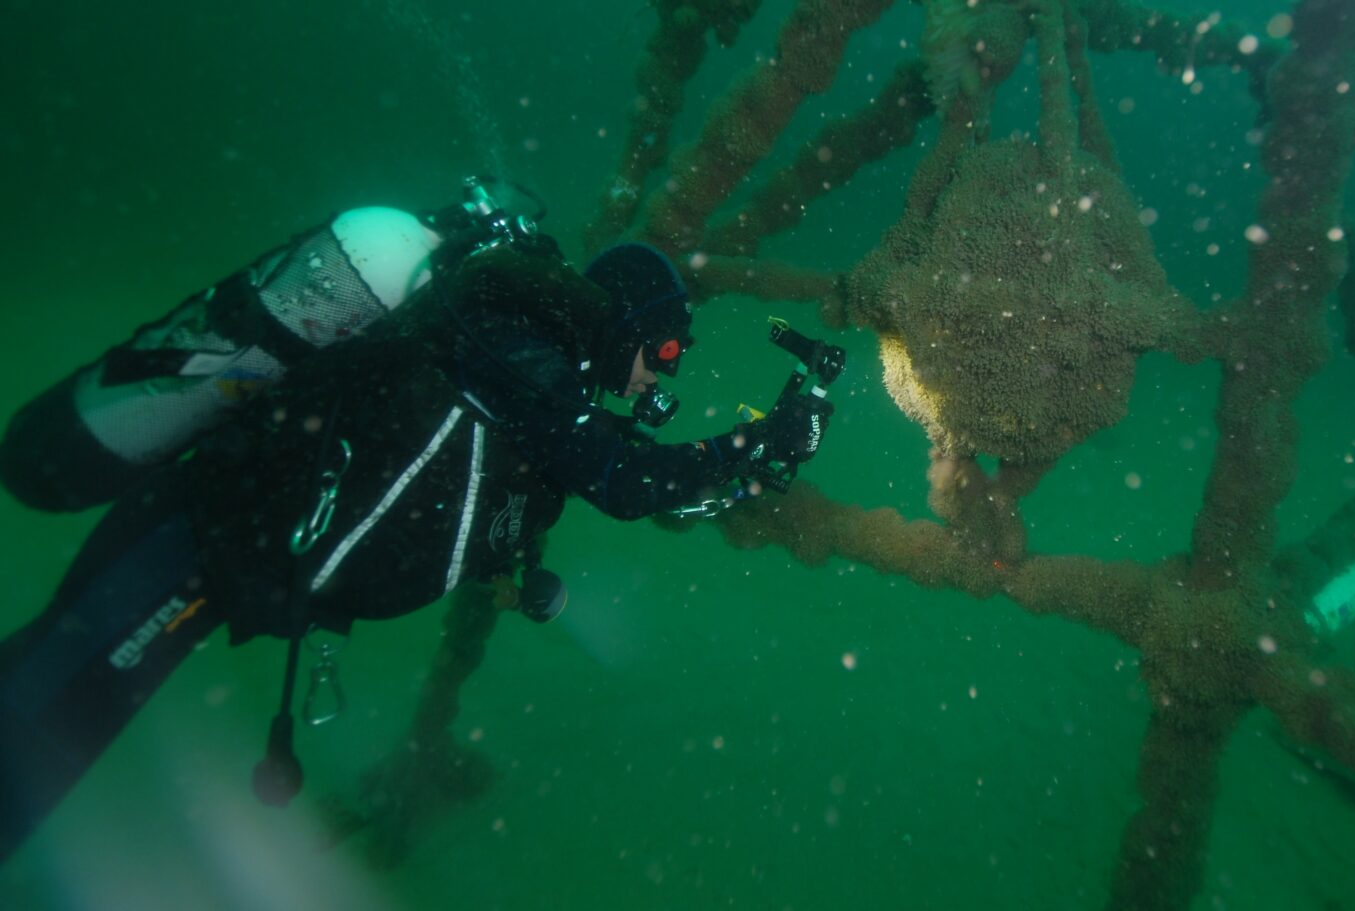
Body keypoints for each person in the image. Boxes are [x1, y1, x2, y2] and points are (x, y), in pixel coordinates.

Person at [0, 181, 835, 861]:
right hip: (195, 543)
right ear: (623, 320)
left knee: (48, 709)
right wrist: (754, 436)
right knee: (39, 726)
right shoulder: (517, 348)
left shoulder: (537, 388)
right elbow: (621, 478)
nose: (661, 373)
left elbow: (620, 474)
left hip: (224, 560)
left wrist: (749, 466)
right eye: (666, 349)